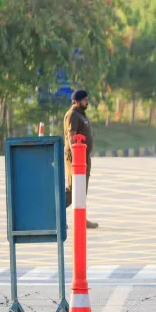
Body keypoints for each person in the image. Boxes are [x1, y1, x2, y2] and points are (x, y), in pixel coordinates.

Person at [63, 89, 98, 229]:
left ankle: (81, 218)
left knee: (82, 188)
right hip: (75, 158)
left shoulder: (81, 114)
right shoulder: (72, 115)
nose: (87, 102)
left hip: (84, 157)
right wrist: (76, 158)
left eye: (87, 99)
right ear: (76, 101)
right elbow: (71, 137)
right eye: (84, 100)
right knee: (73, 189)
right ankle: (55, 216)